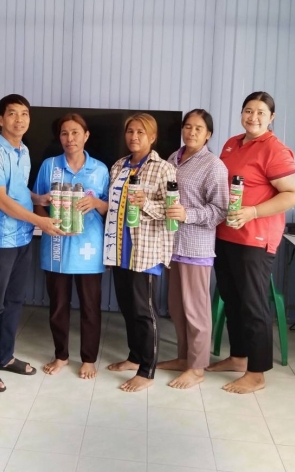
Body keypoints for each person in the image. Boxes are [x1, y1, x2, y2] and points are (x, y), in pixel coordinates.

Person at [206, 91, 295, 394]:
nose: (253, 117)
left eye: (261, 112)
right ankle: (238, 357)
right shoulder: (232, 143)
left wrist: (253, 212)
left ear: (271, 117)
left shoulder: (274, 149)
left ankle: (257, 372)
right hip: (226, 233)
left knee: (253, 304)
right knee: (232, 299)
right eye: (248, 110)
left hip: (255, 239)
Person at [0, 94, 65, 393]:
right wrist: (40, 220)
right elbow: (0, 200)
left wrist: (38, 199)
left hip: (23, 236)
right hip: (1, 239)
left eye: (24, 113)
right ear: (0, 119)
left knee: (14, 301)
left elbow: (17, 190)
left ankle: (5, 357)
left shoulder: (23, 150)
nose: (19, 119)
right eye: (12, 113)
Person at [33, 113, 110, 380]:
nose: (70, 138)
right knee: (58, 305)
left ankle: (88, 359)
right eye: (64, 133)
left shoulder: (100, 169)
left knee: (90, 306)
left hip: (89, 247)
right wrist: (44, 222)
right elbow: (37, 201)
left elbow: (111, 208)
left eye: (75, 132)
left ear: (86, 136)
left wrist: (96, 203)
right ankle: (61, 355)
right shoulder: (50, 166)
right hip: (55, 246)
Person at [104, 113, 176, 392]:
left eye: (141, 132)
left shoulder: (163, 169)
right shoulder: (119, 165)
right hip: (119, 249)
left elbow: (171, 212)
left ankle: (147, 371)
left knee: (144, 312)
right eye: (130, 131)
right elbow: (112, 206)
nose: (134, 137)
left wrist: (145, 202)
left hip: (145, 251)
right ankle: (134, 357)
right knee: (127, 308)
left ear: (152, 137)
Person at [157, 109, 229, 389]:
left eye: (198, 128)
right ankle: (183, 358)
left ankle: (197, 368)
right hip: (171, 244)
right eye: (188, 126)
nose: (192, 132)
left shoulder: (213, 165)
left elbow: (220, 210)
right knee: (177, 307)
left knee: (196, 311)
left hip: (196, 247)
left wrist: (188, 214)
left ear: (208, 134)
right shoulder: (172, 159)